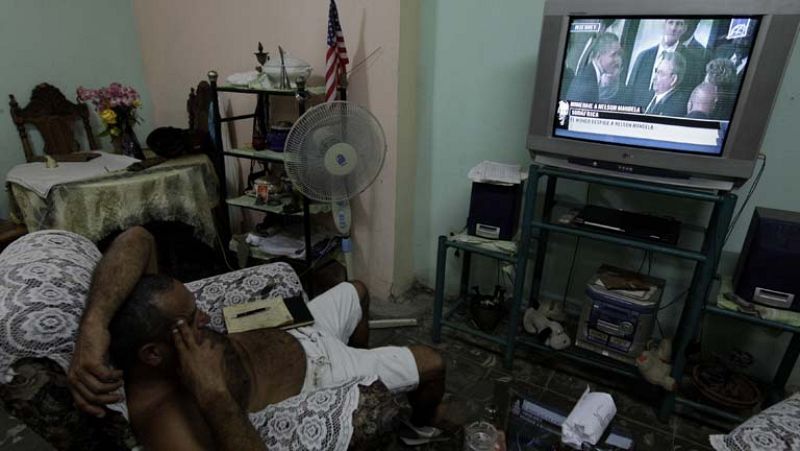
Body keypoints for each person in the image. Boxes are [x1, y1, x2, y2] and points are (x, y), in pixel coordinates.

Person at [67, 226, 446, 450]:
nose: (206, 317)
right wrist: (215, 398)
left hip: (298, 331)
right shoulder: (164, 418)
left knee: (358, 290)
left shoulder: (147, 329)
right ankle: (418, 427)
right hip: (323, 372)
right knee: (433, 363)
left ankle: (366, 365)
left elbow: (137, 238)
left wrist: (93, 324)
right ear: (152, 354)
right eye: (191, 319)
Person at [627, 19, 692, 108]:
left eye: (679, 24)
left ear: (685, 28)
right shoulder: (644, 56)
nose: (673, 28)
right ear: (664, 24)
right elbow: (630, 90)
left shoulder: (691, 61)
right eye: (670, 22)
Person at [565, 32, 624, 104]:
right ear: (599, 56)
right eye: (614, 55)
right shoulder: (586, 84)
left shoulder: (591, 75)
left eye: (619, 54)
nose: (619, 60)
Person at [643, 52, 689, 117]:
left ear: (673, 79)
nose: (654, 77)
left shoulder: (676, 107)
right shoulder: (646, 96)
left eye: (660, 73)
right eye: (656, 71)